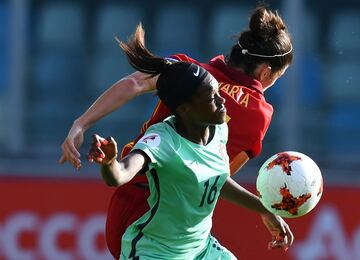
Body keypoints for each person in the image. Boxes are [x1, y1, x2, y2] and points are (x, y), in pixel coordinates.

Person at [60, 5, 294, 258]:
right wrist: (263, 208)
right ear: (266, 72)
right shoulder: (257, 114)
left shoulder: (189, 73)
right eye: (277, 77)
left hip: (169, 220)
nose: (222, 102)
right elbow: (210, 181)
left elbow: (133, 83)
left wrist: (81, 123)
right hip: (152, 221)